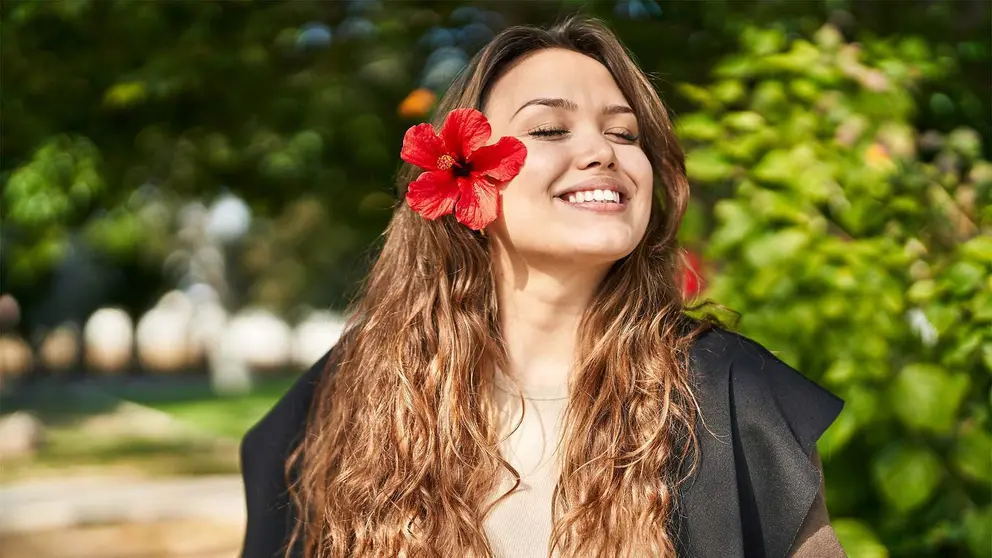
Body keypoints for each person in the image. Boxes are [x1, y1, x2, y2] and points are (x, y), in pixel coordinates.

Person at [240, 16, 846, 558]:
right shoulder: (347, 395)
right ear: (462, 177)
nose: (601, 151)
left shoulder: (731, 397)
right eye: (551, 129)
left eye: (624, 133)